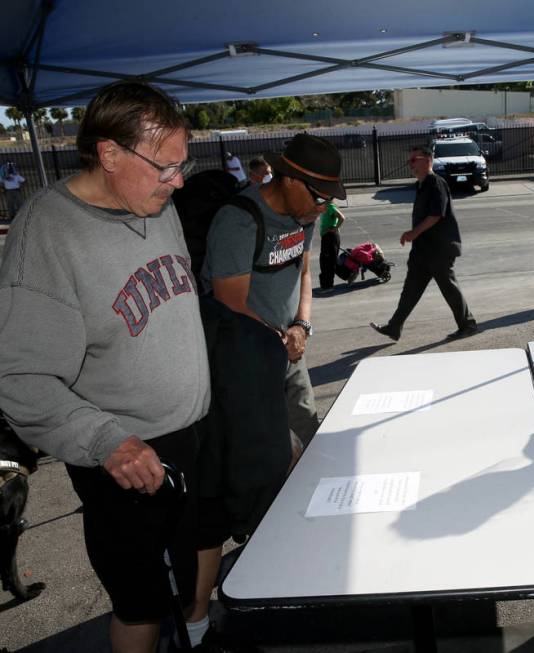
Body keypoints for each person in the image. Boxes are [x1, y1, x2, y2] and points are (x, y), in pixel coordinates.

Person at [0, 80, 208, 653]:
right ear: (109, 153)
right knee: (140, 608)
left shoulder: (154, 204)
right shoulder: (47, 233)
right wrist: (108, 443)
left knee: (185, 588)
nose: (179, 180)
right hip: (124, 459)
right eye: (165, 167)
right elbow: (21, 381)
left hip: (188, 441)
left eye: (181, 165)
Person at [193, 133, 338, 639]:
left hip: (287, 350)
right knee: (267, 461)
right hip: (245, 362)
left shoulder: (307, 217)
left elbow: (303, 275)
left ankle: (303, 551)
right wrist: (280, 338)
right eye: (318, 196)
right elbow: (231, 306)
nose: (322, 208)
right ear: (288, 179)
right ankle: (267, 570)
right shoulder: (240, 220)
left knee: (309, 448)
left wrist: (301, 327)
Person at [370, 146, 478, 341]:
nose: (410, 164)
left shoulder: (436, 183)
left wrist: (413, 233)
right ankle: (394, 327)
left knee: (448, 287)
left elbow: (436, 215)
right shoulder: (421, 185)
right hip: (422, 250)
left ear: (427, 160)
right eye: (409, 160)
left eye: (414, 160)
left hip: (439, 248)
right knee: (410, 290)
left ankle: (468, 324)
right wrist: (414, 237)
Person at [317, 198, 345, 293]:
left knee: (327, 262)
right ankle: (326, 285)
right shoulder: (326, 205)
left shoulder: (329, 206)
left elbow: (342, 217)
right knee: (325, 261)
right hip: (327, 237)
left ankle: (328, 286)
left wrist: (335, 228)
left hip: (330, 237)